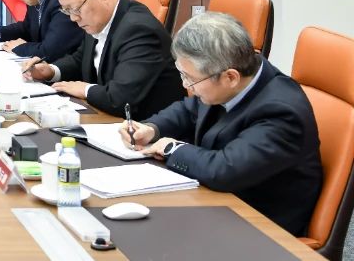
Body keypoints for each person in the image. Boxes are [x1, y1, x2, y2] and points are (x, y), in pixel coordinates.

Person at [118, 12, 322, 236]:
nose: (186, 85)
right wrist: (152, 128)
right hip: (216, 201)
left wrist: (171, 148)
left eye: (190, 78)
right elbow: (190, 109)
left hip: (257, 226)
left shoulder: (281, 113)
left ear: (230, 77)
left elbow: (224, 170)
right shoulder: (234, 76)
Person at [23, 0, 184, 119]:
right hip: (111, 120)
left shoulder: (139, 30)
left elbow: (121, 99)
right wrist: (51, 71)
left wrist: (85, 89)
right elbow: (81, 59)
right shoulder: (99, 19)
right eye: (67, 10)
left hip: (146, 128)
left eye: (75, 9)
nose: (73, 18)